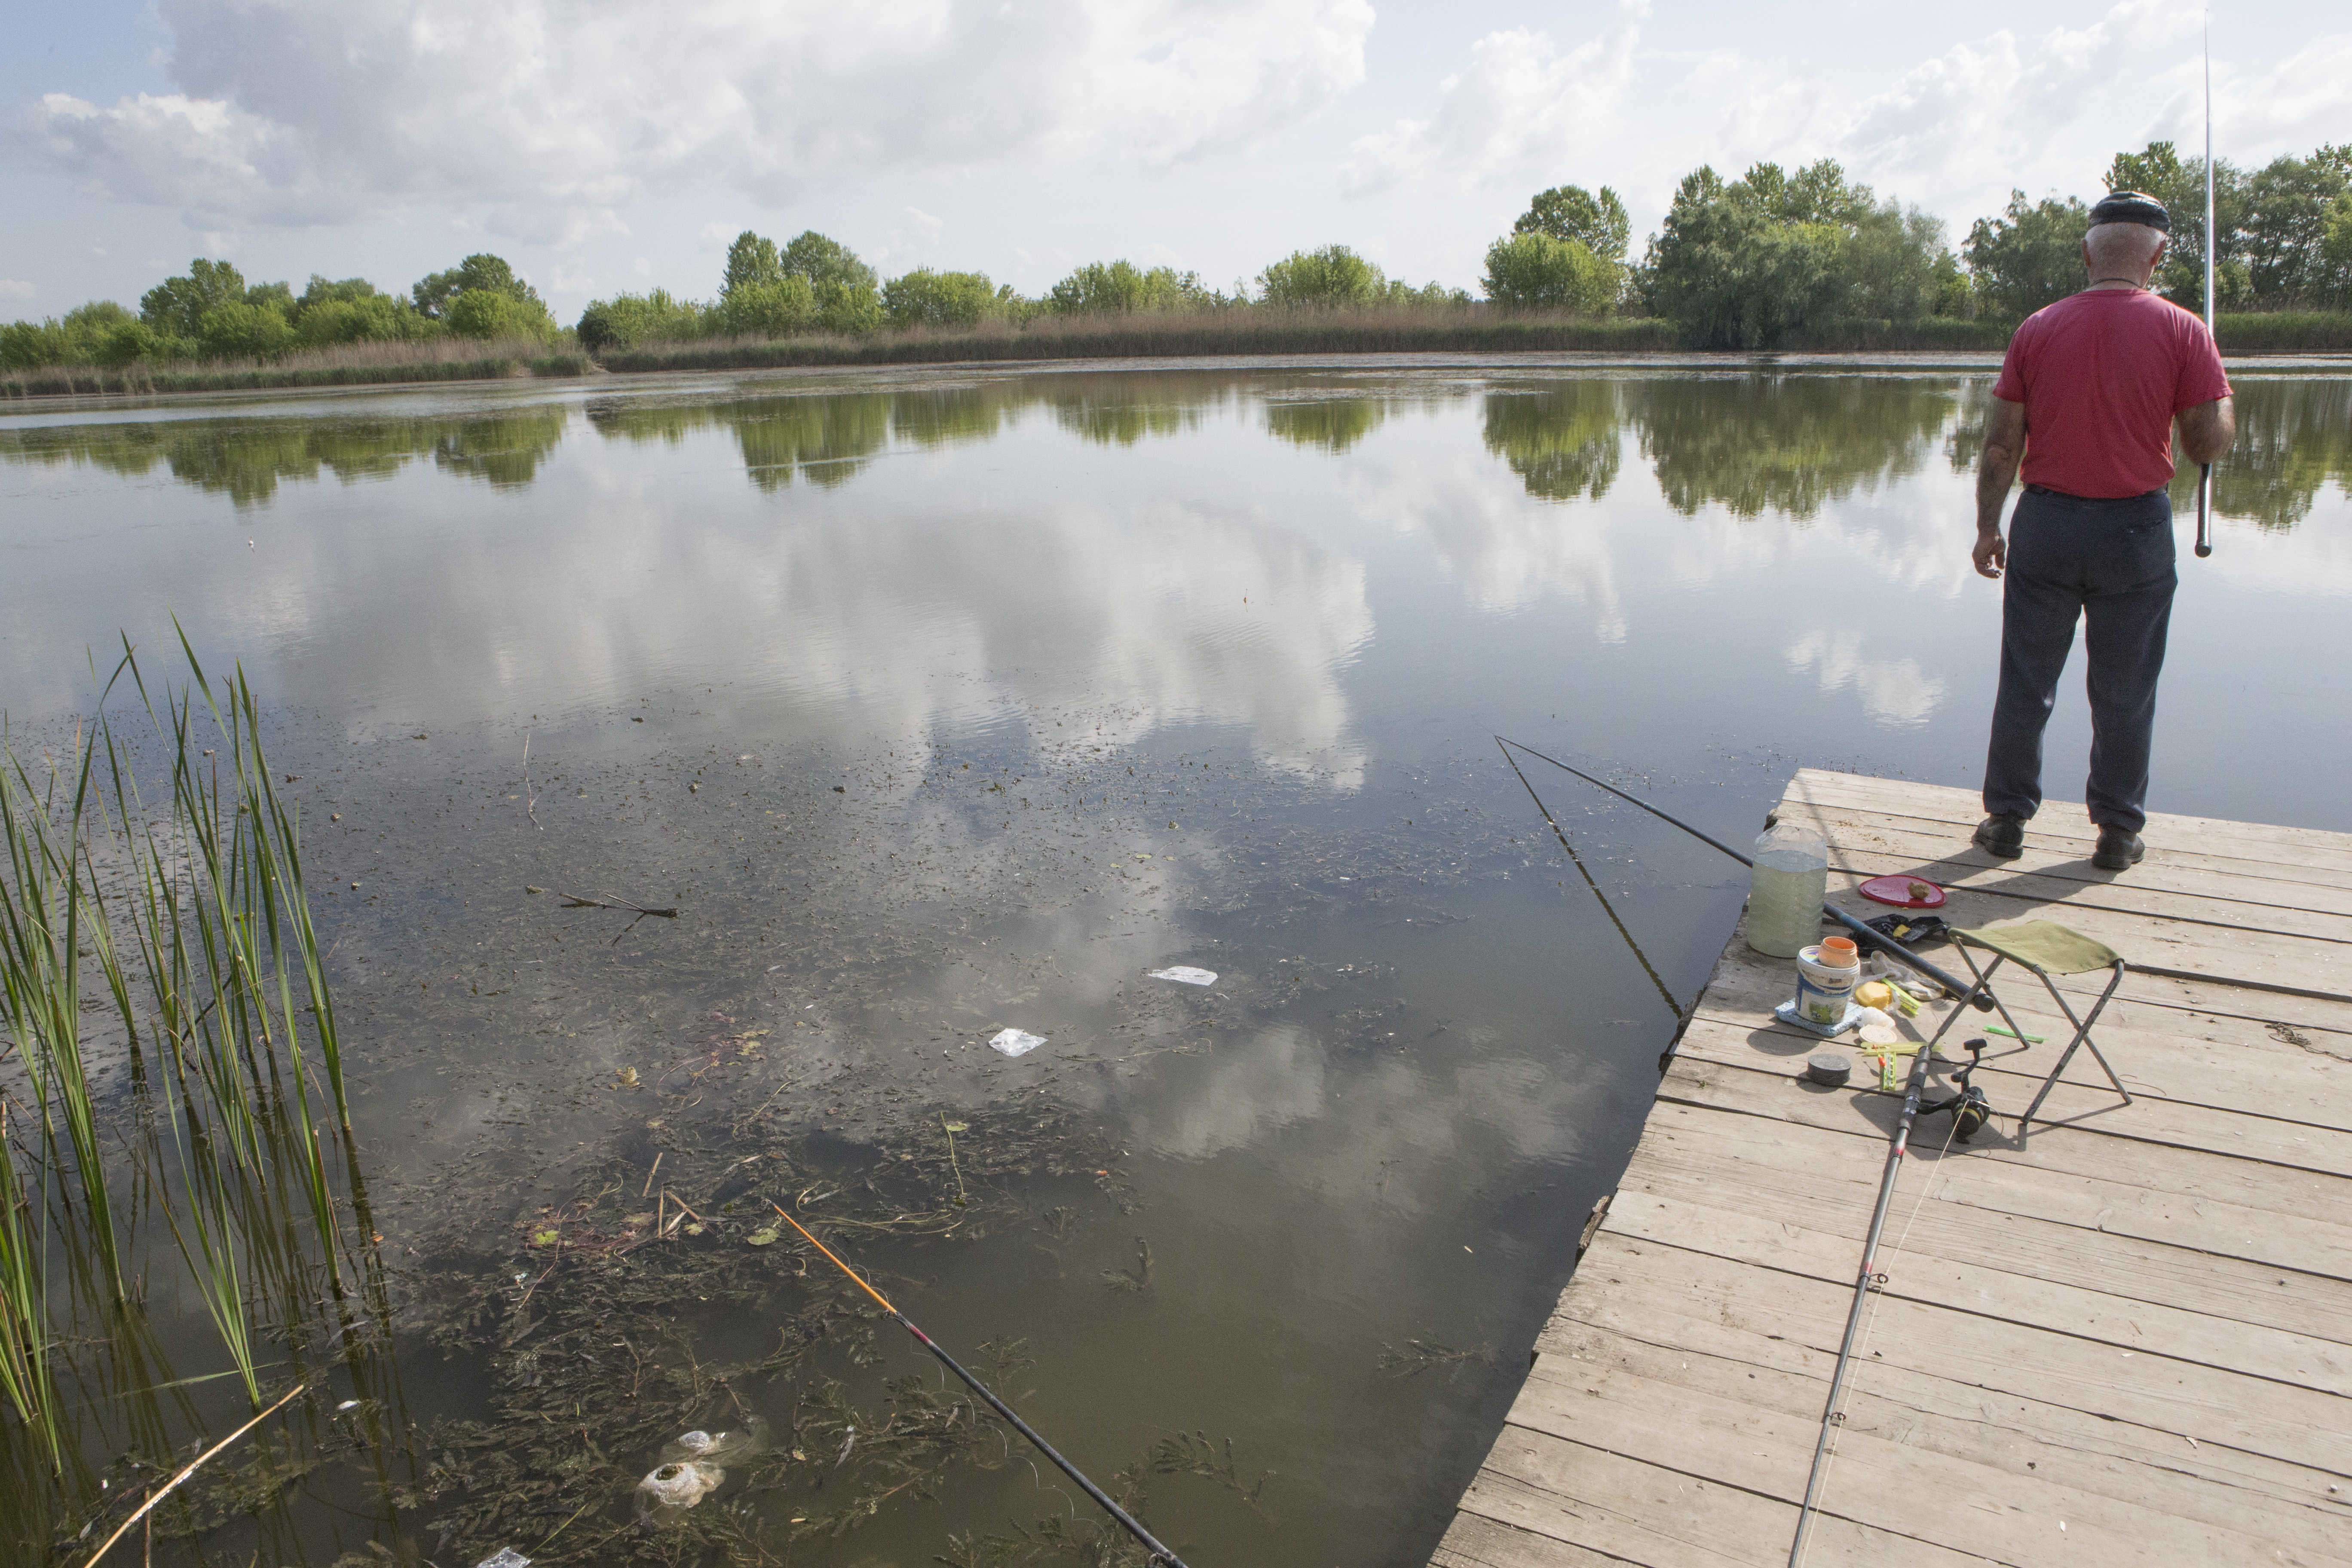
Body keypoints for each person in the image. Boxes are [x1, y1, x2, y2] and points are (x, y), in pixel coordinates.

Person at [1969, 190, 2235, 872]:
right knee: (2125, 690)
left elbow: (2002, 447)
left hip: (2048, 523)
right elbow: (2208, 443)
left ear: (2088, 253)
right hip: (2135, 532)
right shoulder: (2185, 332)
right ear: (2159, 255)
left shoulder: (2037, 328)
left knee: (2027, 680)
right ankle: (2117, 833)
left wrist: (1986, 527)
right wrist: (2222, 399)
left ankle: (2005, 823)